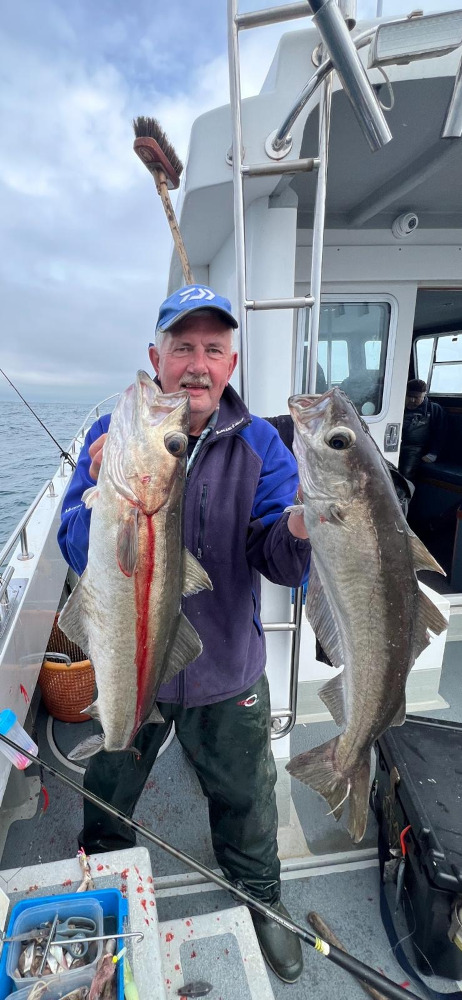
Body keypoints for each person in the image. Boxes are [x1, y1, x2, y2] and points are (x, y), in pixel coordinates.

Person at [58, 284, 311, 984]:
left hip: (226, 665)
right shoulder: (110, 435)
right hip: (126, 661)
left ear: (232, 363)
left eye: (213, 349)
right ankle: (102, 876)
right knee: (109, 781)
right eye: (182, 348)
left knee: (247, 796)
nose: (196, 364)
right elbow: (74, 545)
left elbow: (282, 561)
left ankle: (260, 895)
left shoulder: (261, 444)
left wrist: (300, 526)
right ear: (156, 357)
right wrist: (101, 491)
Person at [398, 378, 446, 483]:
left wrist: (433, 453)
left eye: (416, 397)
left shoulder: (434, 409)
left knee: (405, 475)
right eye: (409, 396)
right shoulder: (397, 406)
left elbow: (440, 433)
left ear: (424, 395)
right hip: (395, 444)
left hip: (415, 448)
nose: (412, 400)